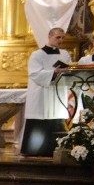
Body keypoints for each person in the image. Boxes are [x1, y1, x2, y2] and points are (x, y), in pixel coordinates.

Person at [22, 27, 71, 156]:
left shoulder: (65, 54)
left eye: (62, 38)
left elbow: (70, 70)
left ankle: (56, 149)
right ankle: (34, 150)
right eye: (58, 37)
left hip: (58, 92)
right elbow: (34, 73)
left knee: (56, 118)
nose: (60, 40)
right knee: (40, 119)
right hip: (41, 92)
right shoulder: (37, 54)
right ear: (49, 37)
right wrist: (53, 73)